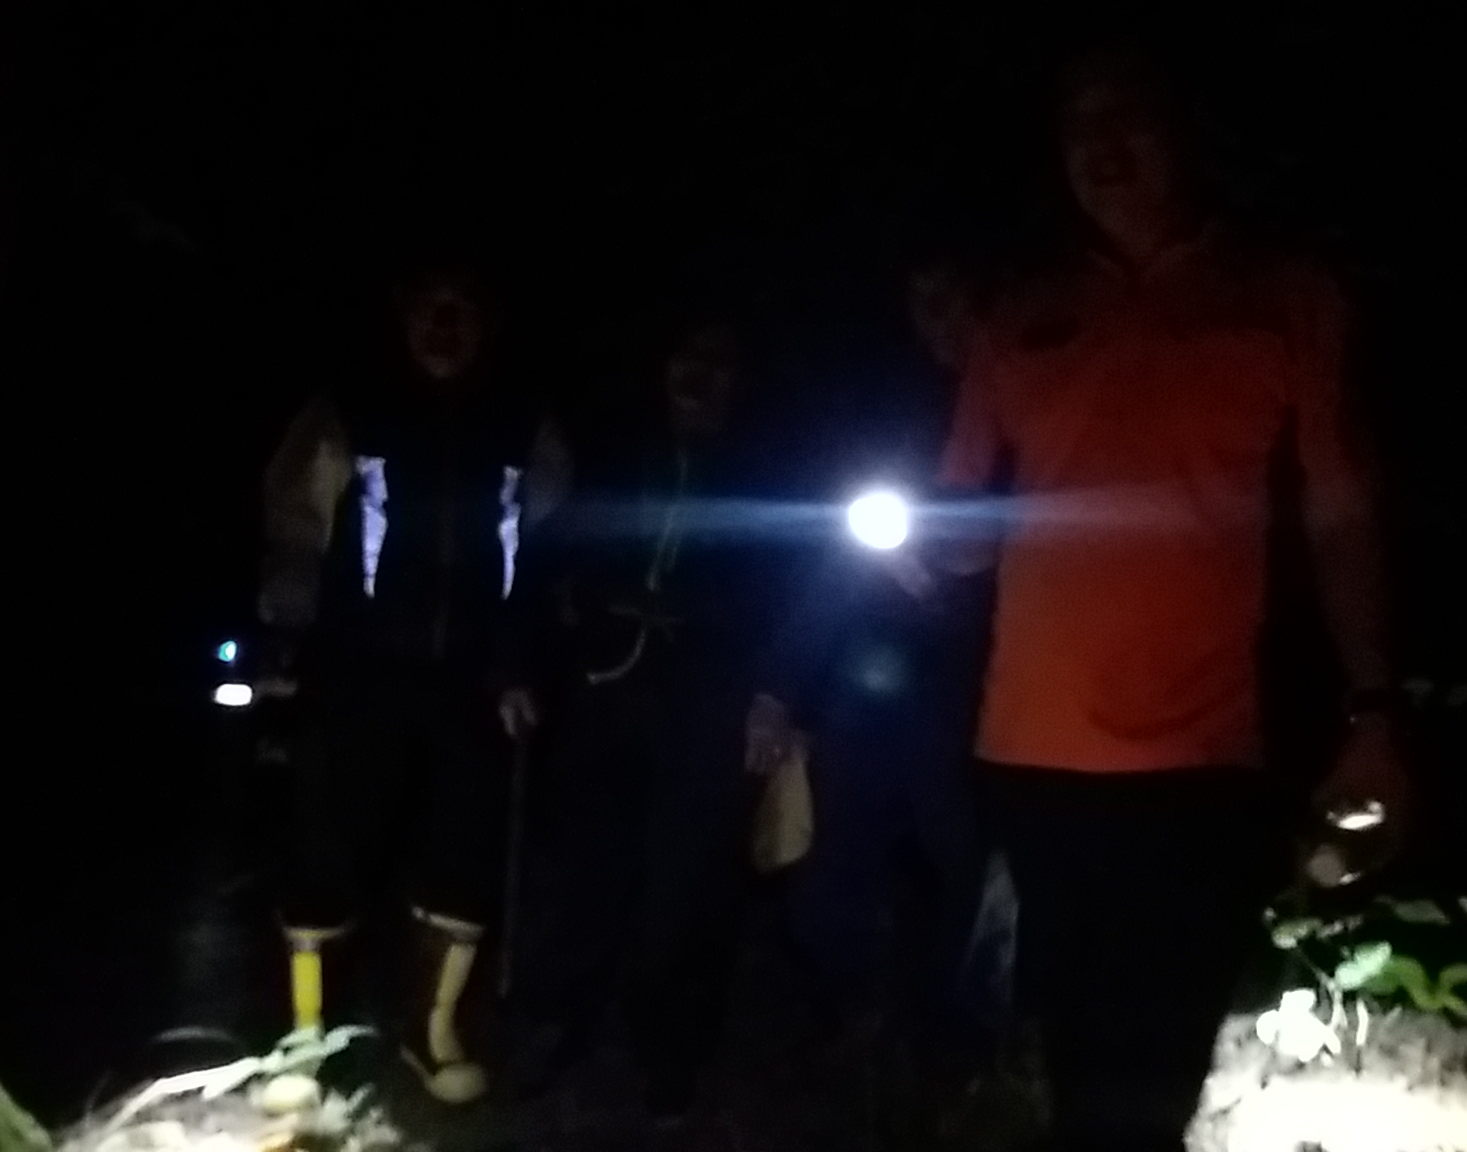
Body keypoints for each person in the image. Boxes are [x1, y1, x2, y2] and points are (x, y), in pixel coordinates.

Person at [922, 47, 1413, 1152]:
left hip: (1205, 760)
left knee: (1155, 1066)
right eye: (1075, 125)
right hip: (1033, 757)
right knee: (1072, 1060)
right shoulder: (1021, 310)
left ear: (1185, 128)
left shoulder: (1285, 295)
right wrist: (925, 550)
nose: (1098, 147)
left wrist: (1374, 714)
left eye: (1126, 116)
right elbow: (960, 516)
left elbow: (1342, 512)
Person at [251, 260, 571, 1105]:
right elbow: (293, 523)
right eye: (429, 307)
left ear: (487, 321)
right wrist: (288, 638)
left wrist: (521, 664)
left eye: (461, 308)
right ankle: (305, 1039)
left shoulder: (525, 422)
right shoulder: (349, 408)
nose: (444, 326)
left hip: (474, 676)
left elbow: (544, 554)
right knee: (326, 845)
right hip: (357, 666)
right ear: (401, 315)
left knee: (462, 854)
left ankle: (431, 1033)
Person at [512, 312, 800, 1127]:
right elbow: (547, 558)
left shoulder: (768, 473)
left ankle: (672, 1049)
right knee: (583, 873)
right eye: (685, 357)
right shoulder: (616, 453)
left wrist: (778, 694)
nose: (697, 375)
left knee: (688, 890)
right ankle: (558, 1021)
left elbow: (808, 589)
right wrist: (519, 668)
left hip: (710, 699)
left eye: (717, 361)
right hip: (605, 685)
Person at [762, 254, 999, 1127]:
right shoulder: (898, 415)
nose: (942, 318)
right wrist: (782, 686)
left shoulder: (1032, 408)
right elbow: (836, 558)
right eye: (926, 301)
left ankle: (956, 1046)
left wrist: (963, 577)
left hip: (983, 693)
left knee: (967, 872)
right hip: (872, 688)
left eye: (957, 297)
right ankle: (853, 1014)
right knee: (835, 869)